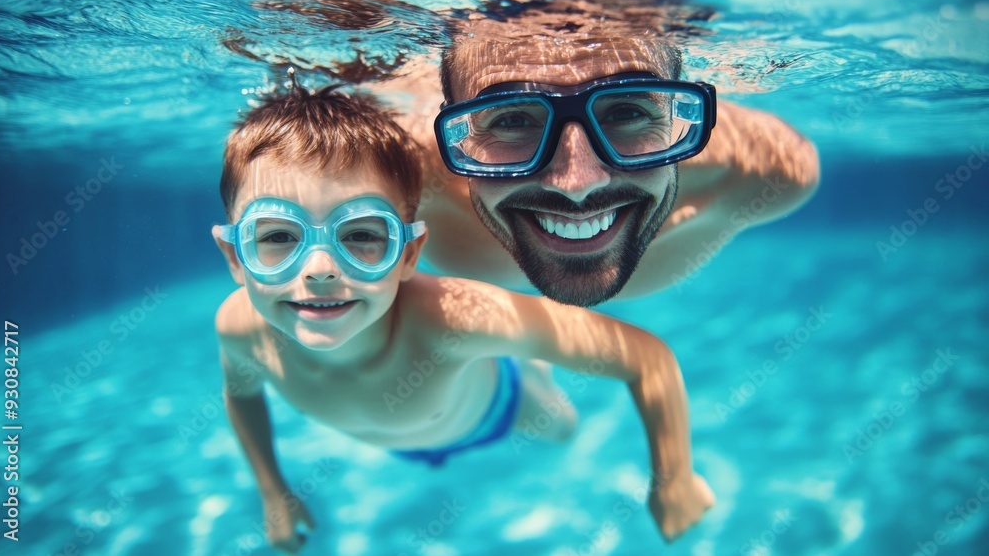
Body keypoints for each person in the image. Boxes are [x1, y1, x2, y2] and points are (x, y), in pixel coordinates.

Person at [211, 80, 714, 553]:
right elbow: (244, 397)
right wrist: (272, 491)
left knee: (564, 429)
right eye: (277, 237)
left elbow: (644, 357)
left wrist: (676, 478)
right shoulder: (239, 330)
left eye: (362, 235)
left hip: (503, 408)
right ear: (235, 256)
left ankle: (529, 363)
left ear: (409, 254)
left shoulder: (458, 321)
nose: (319, 269)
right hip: (401, 441)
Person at [390, 8, 821, 307]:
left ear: (679, 119)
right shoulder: (399, 170)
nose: (578, 183)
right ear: (454, 133)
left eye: (627, 112)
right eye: (514, 120)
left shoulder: (769, 174)